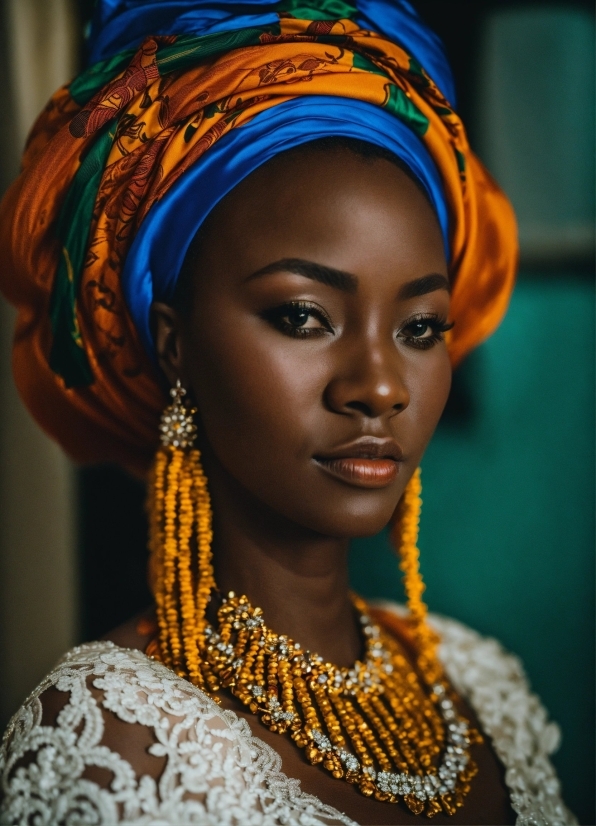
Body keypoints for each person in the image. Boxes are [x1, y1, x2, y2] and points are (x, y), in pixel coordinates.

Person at [0, 2, 575, 824]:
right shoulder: (115, 736)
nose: (379, 385)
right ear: (176, 345)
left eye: (419, 328)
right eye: (304, 315)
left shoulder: (486, 686)